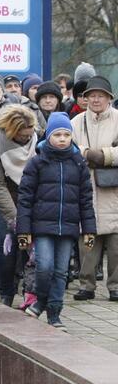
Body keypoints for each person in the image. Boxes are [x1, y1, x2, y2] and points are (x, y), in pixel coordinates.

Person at [18, 112, 96, 329]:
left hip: (68, 227)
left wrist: (89, 229)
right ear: (48, 136)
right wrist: (23, 230)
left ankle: (53, 312)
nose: (62, 139)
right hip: (42, 226)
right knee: (44, 267)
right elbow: (25, 198)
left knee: (61, 271)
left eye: (66, 134)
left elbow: (85, 199)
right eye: (57, 134)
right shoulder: (37, 163)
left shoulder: (78, 163)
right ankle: (41, 300)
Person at [0, 105, 39, 306]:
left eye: (29, 135)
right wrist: (16, 218)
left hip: (27, 197)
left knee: (28, 245)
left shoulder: (35, 139)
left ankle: (29, 291)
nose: (26, 139)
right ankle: (6, 292)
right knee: (7, 246)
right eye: (22, 136)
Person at [69, 76, 118, 301]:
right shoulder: (77, 121)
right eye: (92, 95)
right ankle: (86, 285)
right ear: (86, 98)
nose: (96, 99)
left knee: (116, 244)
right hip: (85, 187)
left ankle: (115, 286)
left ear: (109, 98)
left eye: (101, 95)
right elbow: (69, 147)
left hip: (113, 189)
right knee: (86, 242)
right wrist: (88, 153)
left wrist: (103, 155)